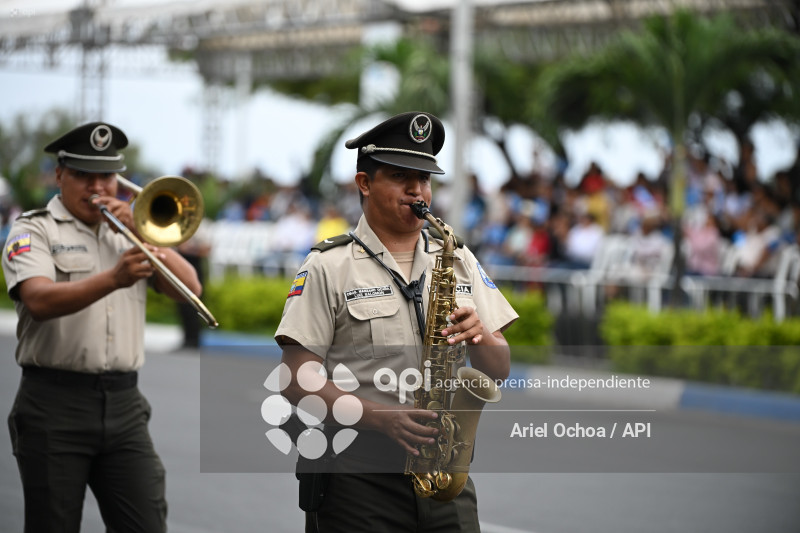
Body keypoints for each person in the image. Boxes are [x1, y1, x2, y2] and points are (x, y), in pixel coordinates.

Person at [274, 112, 518, 532]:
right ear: (364, 183)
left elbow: (498, 370)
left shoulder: (457, 257)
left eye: (424, 178)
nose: (416, 190)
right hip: (357, 477)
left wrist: (480, 336)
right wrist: (380, 417)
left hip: (445, 474)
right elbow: (296, 380)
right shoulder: (327, 265)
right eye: (400, 176)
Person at [2, 122, 203, 533]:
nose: (97, 187)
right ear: (60, 175)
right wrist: (113, 279)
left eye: (107, 176)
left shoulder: (127, 231)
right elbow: (38, 300)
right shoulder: (34, 228)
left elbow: (190, 289)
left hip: (124, 404)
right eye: (83, 175)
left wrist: (144, 233)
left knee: (146, 524)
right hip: (54, 403)